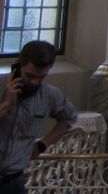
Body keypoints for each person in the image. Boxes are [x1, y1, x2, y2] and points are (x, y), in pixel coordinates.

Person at [0, 41, 77, 193]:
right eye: (29, 75)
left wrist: (43, 144)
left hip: (13, 181)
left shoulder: (49, 95)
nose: (34, 82)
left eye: (41, 77)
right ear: (18, 66)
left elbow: (69, 118)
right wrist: (7, 104)